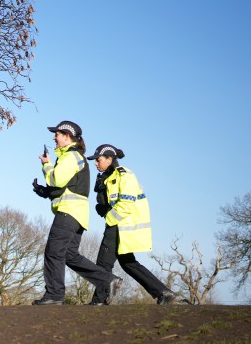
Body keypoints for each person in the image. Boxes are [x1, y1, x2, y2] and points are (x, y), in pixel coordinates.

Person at [31, 120, 116, 305]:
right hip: (78, 215)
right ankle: (107, 280)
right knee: (69, 255)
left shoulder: (71, 156)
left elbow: (57, 180)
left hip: (68, 213)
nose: (54, 137)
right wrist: (44, 192)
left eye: (57, 134)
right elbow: (63, 188)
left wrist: (46, 165)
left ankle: (54, 295)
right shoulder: (75, 157)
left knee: (53, 252)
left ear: (67, 136)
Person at [87, 144, 177, 305]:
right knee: (128, 263)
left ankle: (99, 301)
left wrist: (109, 217)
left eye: (98, 160)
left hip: (119, 225)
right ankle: (163, 292)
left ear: (109, 159)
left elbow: (127, 204)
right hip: (118, 225)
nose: (95, 163)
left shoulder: (125, 175)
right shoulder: (108, 176)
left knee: (103, 264)